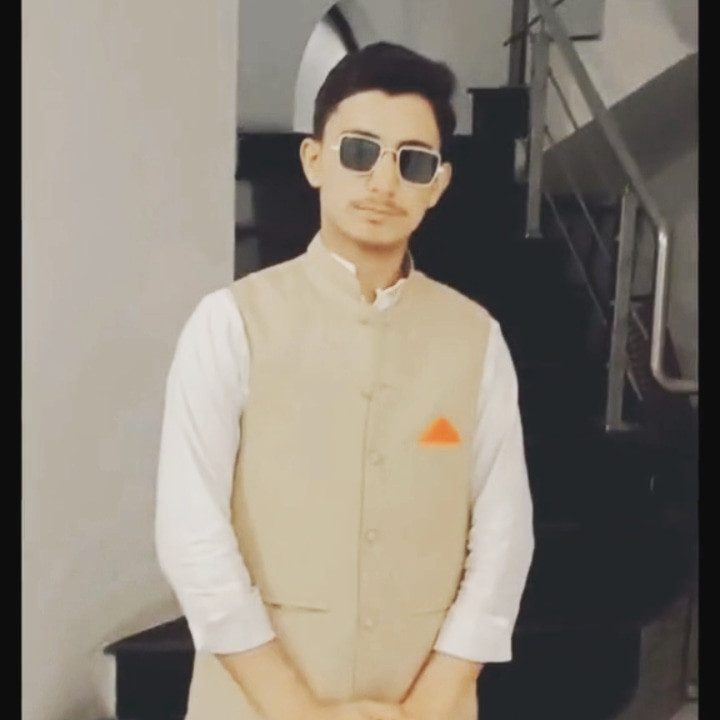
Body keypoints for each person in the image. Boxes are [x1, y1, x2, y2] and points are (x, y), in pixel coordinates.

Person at [155, 41, 535, 720]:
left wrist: (429, 705)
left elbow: (505, 540)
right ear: (314, 160)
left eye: (412, 161)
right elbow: (191, 534)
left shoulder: (476, 339)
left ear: (438, 184)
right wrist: (299, 711)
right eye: (359, 151)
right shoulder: (230, 324)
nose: (383, 181)